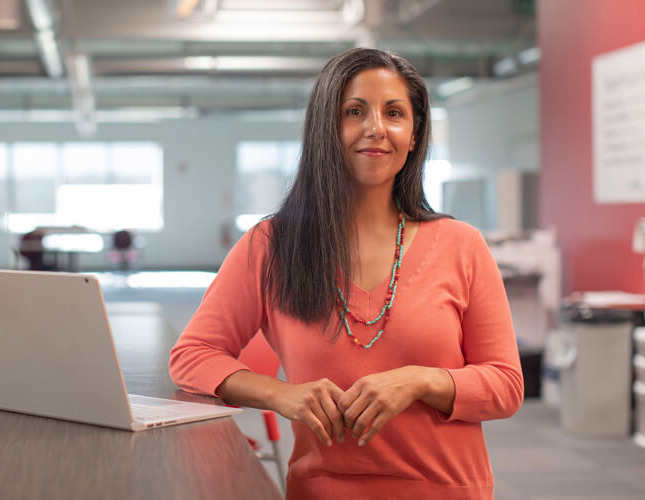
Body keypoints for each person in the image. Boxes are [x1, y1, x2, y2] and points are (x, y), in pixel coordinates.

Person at [169, 48, 523, 500]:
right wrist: (281, 394)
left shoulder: (462, 245)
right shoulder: (272, 245)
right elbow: (193, 355)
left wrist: (421, 380)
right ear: (327, 130)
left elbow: (507, 385)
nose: (376, 127)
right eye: (354, 111)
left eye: (394, 113)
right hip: (322, 491)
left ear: (414, 135)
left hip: (446, 490)